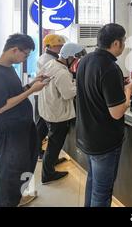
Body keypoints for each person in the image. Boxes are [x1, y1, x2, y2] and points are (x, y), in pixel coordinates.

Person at [0, 34, 48, 207]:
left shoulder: (8, 68)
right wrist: (31, 91)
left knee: (21, 166)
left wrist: (31, 84)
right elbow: (0, 107)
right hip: (6, 131)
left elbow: (14, 94)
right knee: (7, 173)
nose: (25, 58)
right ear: (14, 49)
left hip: (20, 127)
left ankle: (15, 198)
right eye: (25, 54)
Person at [76, 23, 132, 207]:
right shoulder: (109, 67)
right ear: (116, 43)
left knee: (93, 182)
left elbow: (94, 91)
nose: (124, 45)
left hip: (87, 135)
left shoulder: (85, 60)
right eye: (123, 41)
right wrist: (128, 92)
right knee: (102, 191)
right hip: (104, 141)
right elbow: (117, 113)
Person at [38, 42, 85, 184]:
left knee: (53, 143)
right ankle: (48, 174)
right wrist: (80, 86)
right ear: (69, 57)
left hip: (47, 110)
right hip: (57, 115)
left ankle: (51, 162)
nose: (76, 62)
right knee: (54, 144)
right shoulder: (62, 72)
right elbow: (68, 94)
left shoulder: (51, 64)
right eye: (75, 59)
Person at [35, 34, 66, 161]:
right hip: (46, 96)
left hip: (44, 94)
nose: (60, 48)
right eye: (58, 46)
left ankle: (39, 152)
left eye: (61, 46)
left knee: (41, 126)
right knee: (43, 127)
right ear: (49, 47)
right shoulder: (47, 60)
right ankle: (41, 154)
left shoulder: (46, 57)